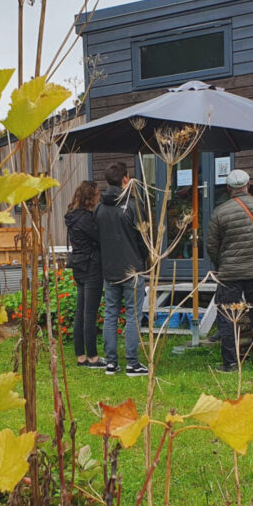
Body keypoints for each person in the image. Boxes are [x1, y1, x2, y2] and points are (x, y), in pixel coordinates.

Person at [207, 169, 253, 372]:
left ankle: (230, 363)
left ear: (229, 188)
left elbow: (212, 245)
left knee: (228, 316)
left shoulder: (220, 212)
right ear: (248, 184)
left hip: (229, 273)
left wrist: (222, 264)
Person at [95, 162, 149, 377]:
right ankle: (133, 363)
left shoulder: (99, 207)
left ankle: (111, 363)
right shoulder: (132, 204)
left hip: (109, 267)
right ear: (126, 179)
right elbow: (142, 236)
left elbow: (97, 235)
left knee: (110, 314)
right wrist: (146, 258)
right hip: (132, 267)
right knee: (133, 316)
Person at [65, 181, 104, 368]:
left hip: (78, 267)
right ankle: (93, 358)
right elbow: (101, 238)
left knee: (80, 313)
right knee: (89, 314)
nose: (99, 196)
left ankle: (81, 356)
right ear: (91, 197)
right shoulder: (86, 219)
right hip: (91, 267)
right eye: (97, 194)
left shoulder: (73, 216)